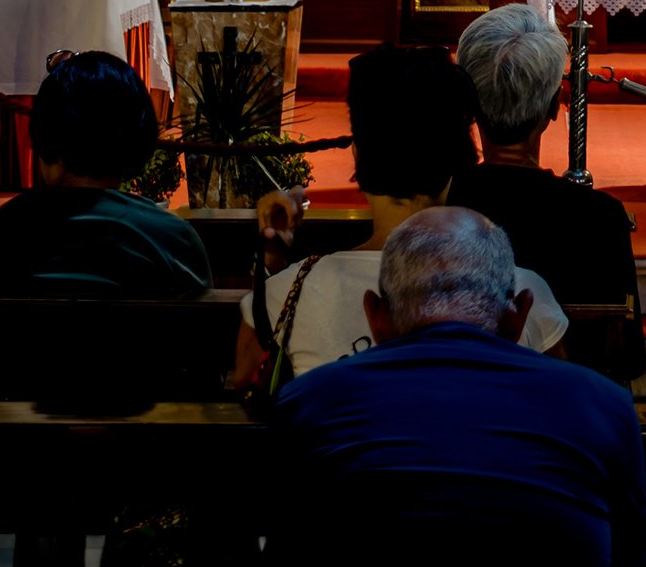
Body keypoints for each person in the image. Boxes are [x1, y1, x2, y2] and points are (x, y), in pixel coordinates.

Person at [273, 204, 646, 567]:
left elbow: (288, 555)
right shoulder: (602, 406)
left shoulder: (311, 402)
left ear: (376, 317)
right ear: (519, 314)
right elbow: (628, 565)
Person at [242, 40, 567, 382]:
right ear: (460, 158)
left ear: (356, 154)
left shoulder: (289, 292)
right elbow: (564, 397)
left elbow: (245, 384)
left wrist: (274, 264)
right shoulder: (521, 291)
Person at [0, 48, 211, 406]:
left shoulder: (9, 225)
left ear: (48, 145)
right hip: (143, 423)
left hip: (29, 421)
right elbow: (200, 352)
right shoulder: (171, 235)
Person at [448, 5, 646, 383]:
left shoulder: (441, 206)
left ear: (469, 107)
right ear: (555, 106)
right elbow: (627, 361)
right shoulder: (598, 217)